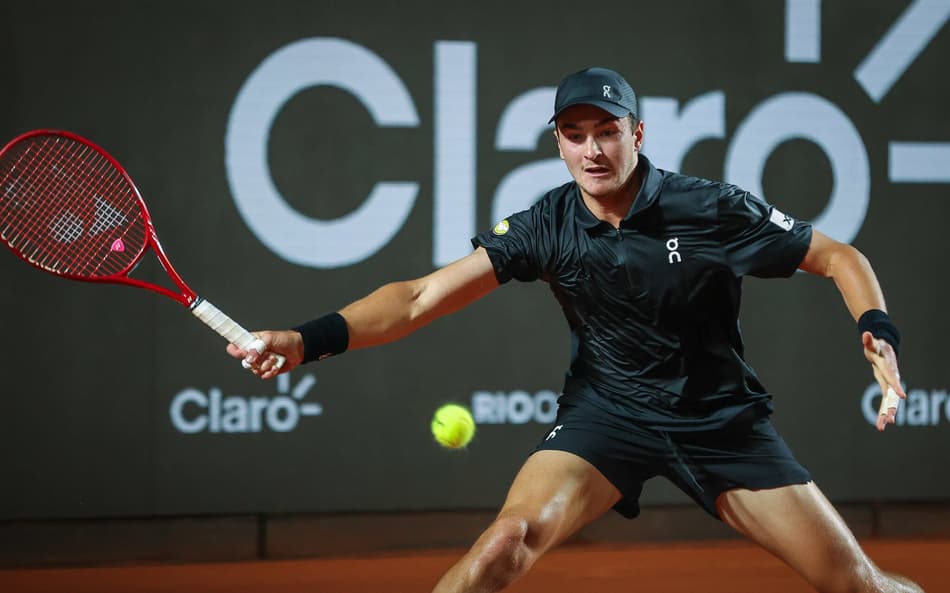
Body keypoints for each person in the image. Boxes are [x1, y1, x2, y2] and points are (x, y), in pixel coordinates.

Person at [228, 67, 922, 593]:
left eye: (608, 131)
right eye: (575, 133)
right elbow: (414, 299)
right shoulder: (547, 225)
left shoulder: (707, 208)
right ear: (558, 142)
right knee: (505, 541)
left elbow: (838, 256)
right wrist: (303, 339)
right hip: (607, 417)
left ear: (636, 134)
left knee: (859, 585)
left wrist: (877, 328)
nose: (593, 149)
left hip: (720, 420)